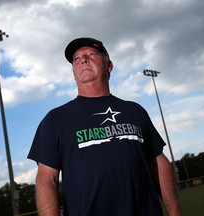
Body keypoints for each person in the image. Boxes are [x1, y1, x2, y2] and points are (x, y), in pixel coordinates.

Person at [28, 37, 181, 216]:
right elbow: (47, 179)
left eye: (91, 54)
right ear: (74, 72)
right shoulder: (55, 119)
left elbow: (158, 163)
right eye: (76, 59)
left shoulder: (134, 111)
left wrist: (175, 212)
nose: (83, 59)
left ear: (109, 66)